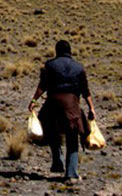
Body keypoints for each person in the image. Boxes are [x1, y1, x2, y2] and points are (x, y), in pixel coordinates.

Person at [30, 40, 96, 182]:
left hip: (52, 103)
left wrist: (34, 100)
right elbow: (85, 90)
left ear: (57, 51)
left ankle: (57, 161)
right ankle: (71, 173)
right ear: (70, 51)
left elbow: (43, 85)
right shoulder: (79, 67)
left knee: (51, 131)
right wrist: (91, 107)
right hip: (71, 104)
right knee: (72, 137)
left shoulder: (50, 65)